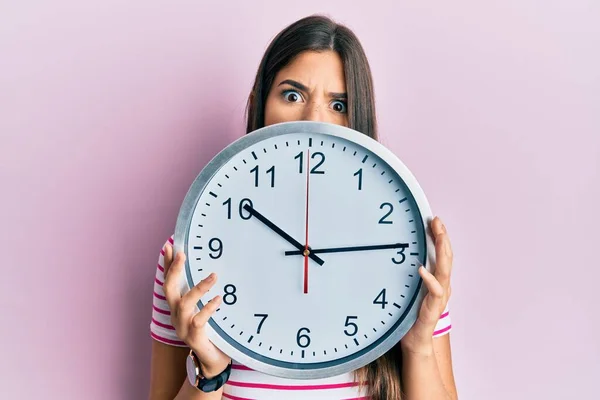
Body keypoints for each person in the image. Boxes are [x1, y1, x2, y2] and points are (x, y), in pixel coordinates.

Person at [148, 14, 457, 400]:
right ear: (259, 105)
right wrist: (211, 371)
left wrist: (418, 343)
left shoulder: (411, 252)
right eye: (292, 96)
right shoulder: (185, 255)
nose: (314, 118)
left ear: (358, 118)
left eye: (338, 103)